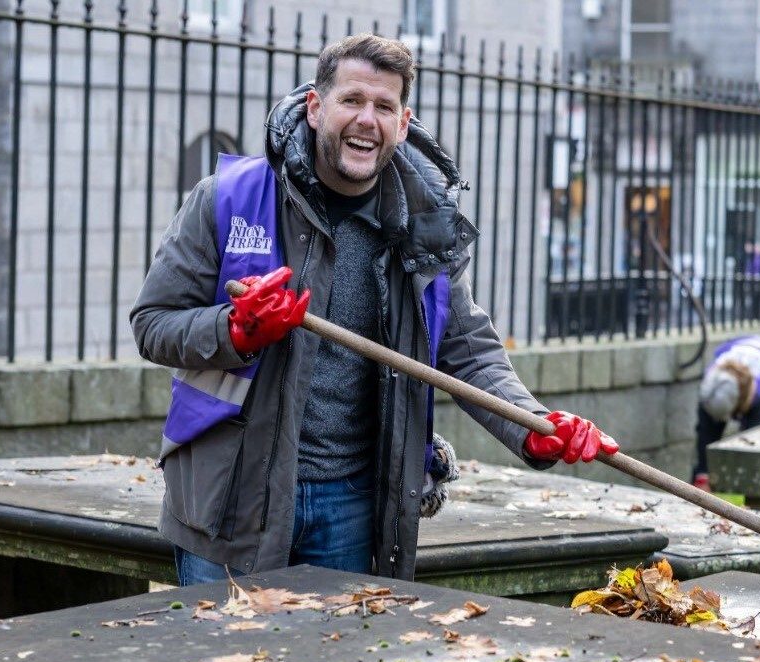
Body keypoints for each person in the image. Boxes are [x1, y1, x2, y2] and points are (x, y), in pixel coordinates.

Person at [130, 34, 617, 585]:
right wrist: (235, 331)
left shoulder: (424, 228)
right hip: (230, 498)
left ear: (403, 123)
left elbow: (469, 354)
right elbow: (154, 323)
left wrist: (533, 426)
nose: (367, 120)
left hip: (353, 508)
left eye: (384, 106)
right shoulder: (229, 198)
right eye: (352, 101)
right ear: (316, 108)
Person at [691, 334, 760, 491]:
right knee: (707, 432)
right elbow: (705, 434)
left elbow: (752, 446)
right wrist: (703, 474)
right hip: (740, 347)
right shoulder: (709, 386)